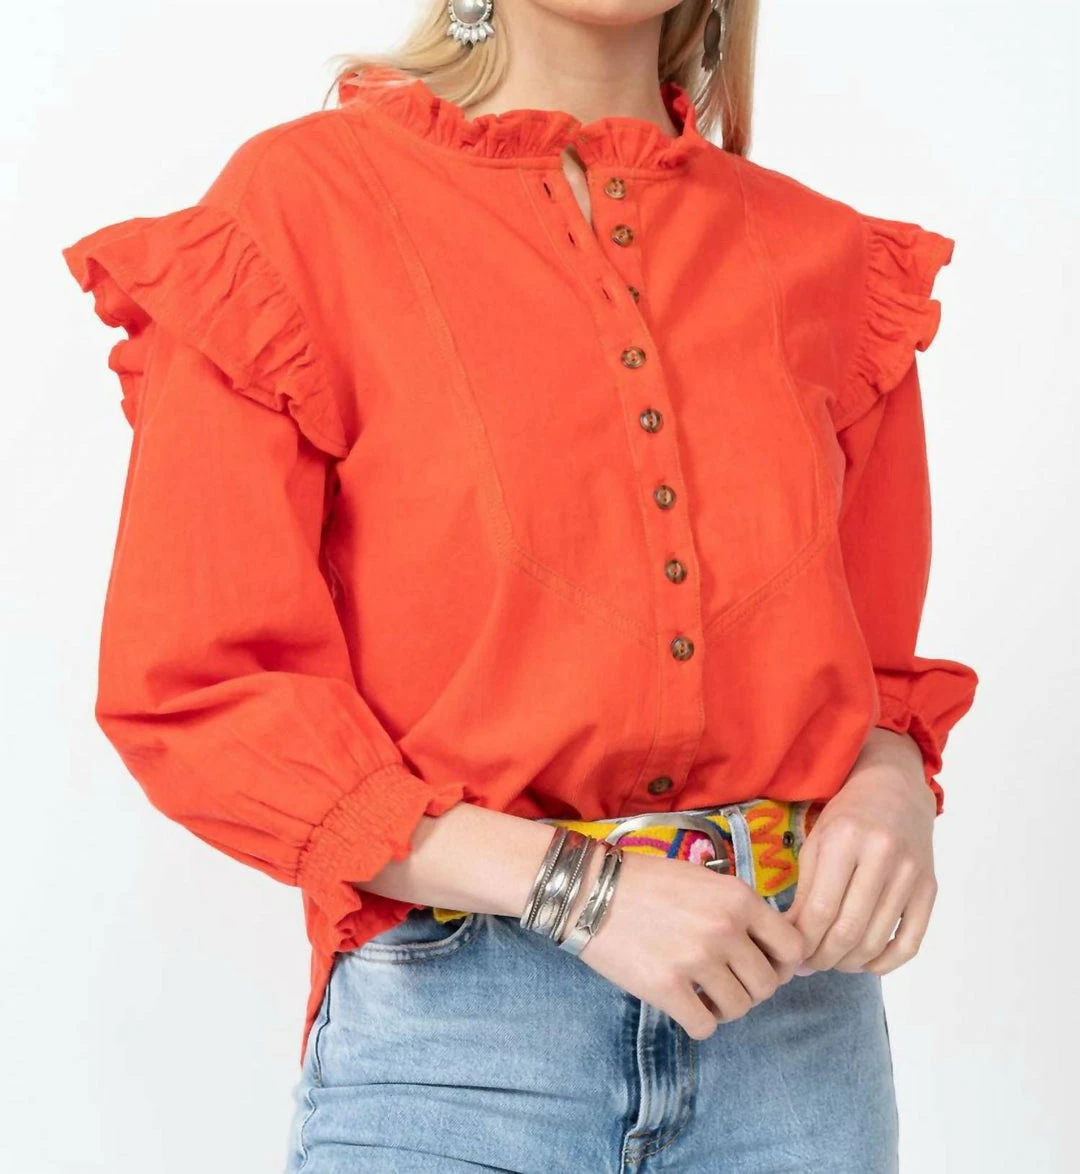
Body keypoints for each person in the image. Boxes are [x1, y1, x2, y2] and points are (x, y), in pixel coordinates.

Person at [61, 2, 978, 1170]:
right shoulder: (304, 209)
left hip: (794, 1039)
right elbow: (198, 684)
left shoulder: (829, 264)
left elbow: (874, 675)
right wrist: (579, 892)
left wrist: (893, 788)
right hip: (466, 1046)